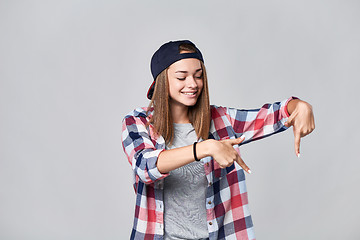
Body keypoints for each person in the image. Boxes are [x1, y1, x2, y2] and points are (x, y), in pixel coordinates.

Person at [121, 40, 315, 240]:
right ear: (162, 81)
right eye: (182, 77)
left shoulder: (221, 120)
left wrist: (300, 106)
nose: (193, 84)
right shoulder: (139, 122)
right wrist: (206, 148)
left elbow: (274, 114)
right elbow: (145, 166)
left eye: (198, 76)